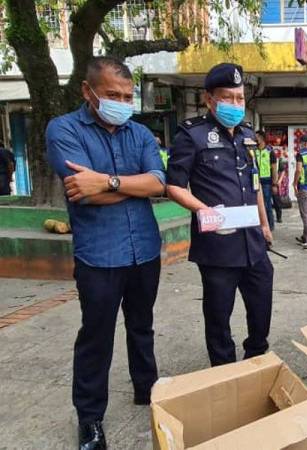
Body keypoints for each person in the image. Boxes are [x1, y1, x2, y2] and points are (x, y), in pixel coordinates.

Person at [46, 57, 166, 450]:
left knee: (141, 325)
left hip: (144, 250)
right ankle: (91, 420)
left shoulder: (140, 133)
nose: (122, 102)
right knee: (96, 337)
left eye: (128, 96)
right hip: (99, 255)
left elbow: (158, 183)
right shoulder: (63, 130)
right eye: (113, 94)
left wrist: (108, 182)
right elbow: (81, 192)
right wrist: (129, 186)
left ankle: (147, 390)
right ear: (88, 91)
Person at [166, 63, 274, 368]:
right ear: (209, 99)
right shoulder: (192, 135)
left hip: (252, 241)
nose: (235, 105)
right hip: (216, 245)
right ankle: (224, 371)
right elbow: (174, 186)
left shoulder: (248, 137)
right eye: (228, 98)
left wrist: (265, 225)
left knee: (261, 302)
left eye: (240, 98)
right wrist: (207, 211)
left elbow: (254, 186)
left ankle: (256, 357)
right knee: (218, 315)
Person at [255, 130, 279, 230]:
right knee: (257, 205)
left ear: (261, 138)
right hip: (255, 181)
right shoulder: (254, 151)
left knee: (267, 205)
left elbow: (274, 169)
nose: (254, 139)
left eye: (256, 137)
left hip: (266, 182)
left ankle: (270, 226)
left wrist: (274, 184)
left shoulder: (270, 152)